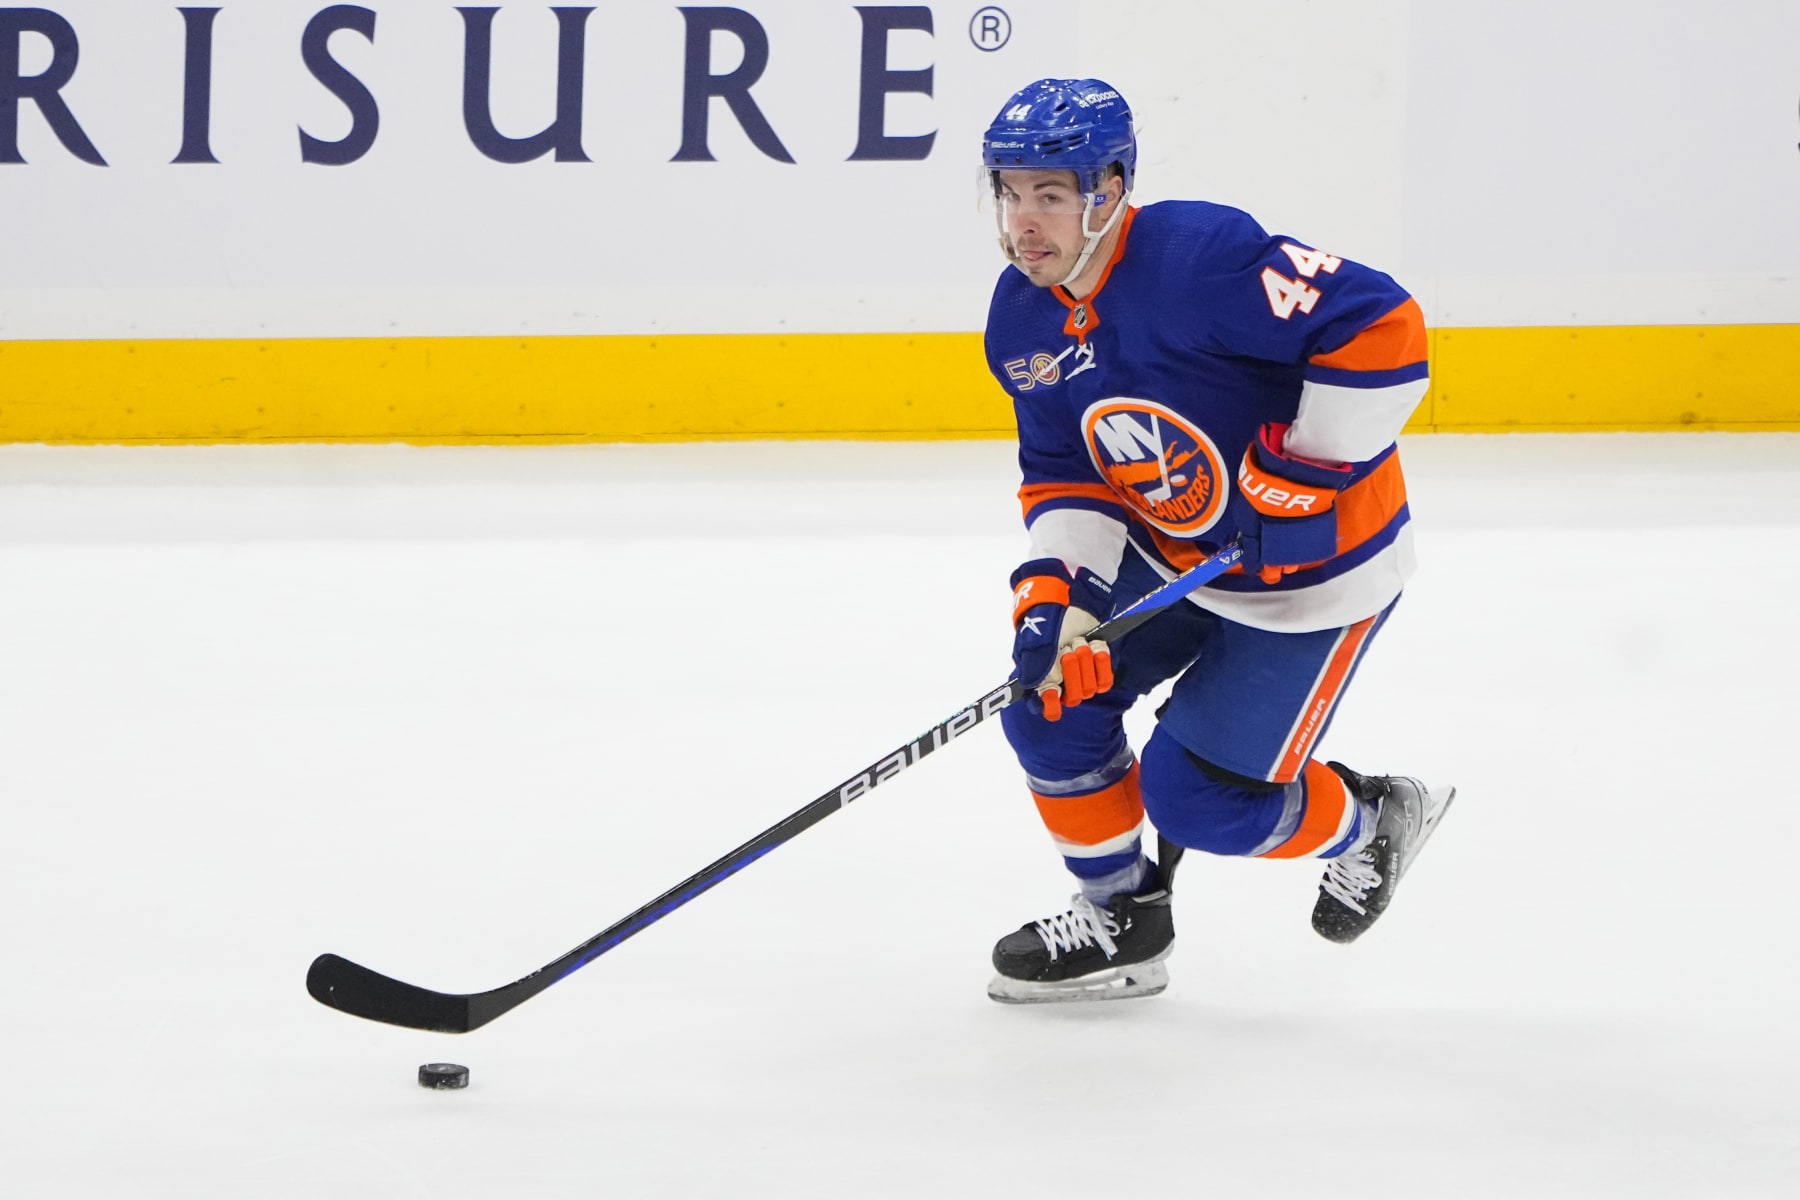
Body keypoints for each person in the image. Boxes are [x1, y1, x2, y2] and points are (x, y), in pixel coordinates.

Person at [980, 78, 1455, 1004]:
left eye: (1051, 194)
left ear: (1110, 189)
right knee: (1047, 701)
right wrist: (1061, 600)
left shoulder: (1198, 257)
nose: (1024, 221)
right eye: (1010, 192)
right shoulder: (1022, 315)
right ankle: (1122, 918)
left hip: (1312, 577)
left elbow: (1383, 325)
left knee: (1196, 801)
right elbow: (1067, 470)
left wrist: (1308, 469)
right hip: (1176, 557)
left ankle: (1370, 821)